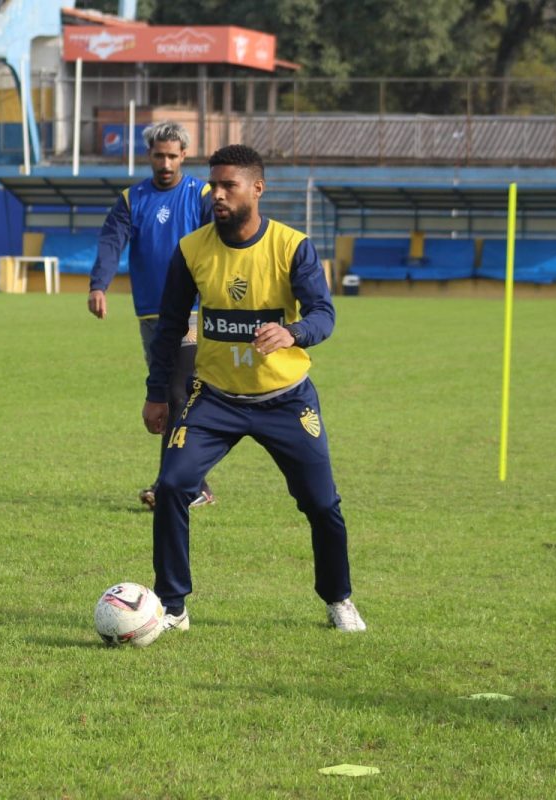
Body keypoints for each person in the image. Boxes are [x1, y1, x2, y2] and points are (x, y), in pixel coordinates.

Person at [142, 144, 365, 634]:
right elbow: (170, 327)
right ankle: (172, 605)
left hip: (285, 399)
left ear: (257, 189)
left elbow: (324, 314)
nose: (217, 194)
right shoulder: (192, 249)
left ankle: (338, 598)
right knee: (173, 485)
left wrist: (293, 332)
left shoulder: (292, 246)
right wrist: (158, 392)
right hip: (215, 397)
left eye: (229, 186)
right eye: (213, 185)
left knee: (322, 504)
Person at [88, 120, 216, 511]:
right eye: (159, 155)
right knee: (174, 394)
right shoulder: (132, 199)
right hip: (150, 312)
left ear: (184, 156)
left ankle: (172, 486)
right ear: (150, 155)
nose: (165, 163)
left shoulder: (201, 195)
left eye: (172, 156)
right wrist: (99, 284)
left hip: (193, 310)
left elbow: (219, 243)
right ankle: (197, 485)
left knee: (177, 394)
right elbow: (112, 241)